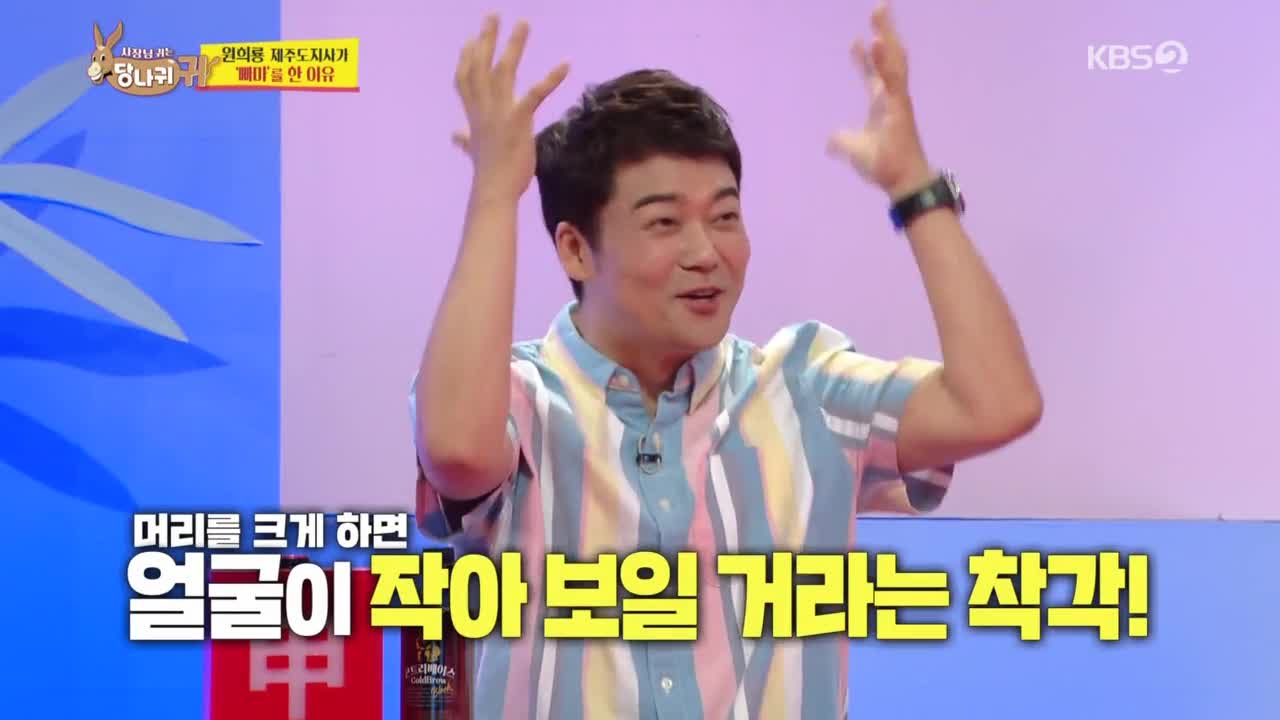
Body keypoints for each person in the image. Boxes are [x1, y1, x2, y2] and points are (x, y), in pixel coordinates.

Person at [410, 5, 1042, 718]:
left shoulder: (804, 386)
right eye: (664, 223)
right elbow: (458, 451)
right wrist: (496, 193)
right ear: (576, 249)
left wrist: (916, 188)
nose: (706, 252)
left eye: (725, 216)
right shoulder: (517, 395)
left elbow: (999, 404)